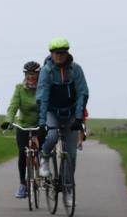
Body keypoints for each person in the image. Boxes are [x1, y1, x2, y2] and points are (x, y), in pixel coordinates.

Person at [36, 38, 89, 189]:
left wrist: (79, 117)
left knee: (71, 154)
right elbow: (42, 98)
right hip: (52, 112)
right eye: (56, 53)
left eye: (62, 52)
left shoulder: (75, 69)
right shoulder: (46, 71)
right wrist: (41, 124)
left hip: (71, 113)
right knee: (52, 136)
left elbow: (82, 93)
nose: (59, 55)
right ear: (51, 54)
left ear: (67, 53)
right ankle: (44, 158)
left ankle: (67, 187)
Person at [1, 61, 41, 198]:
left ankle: (40, 168)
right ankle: (23, 184)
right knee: (22, 153)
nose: (31, 77)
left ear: (39, 74)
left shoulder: (43, 88)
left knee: (40, 149)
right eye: (29, 74)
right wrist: (8, 121)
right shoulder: (19, 88)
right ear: (25, 75)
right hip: (23, 125)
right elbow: (13, 106)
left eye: (34, 74)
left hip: (39, 124)